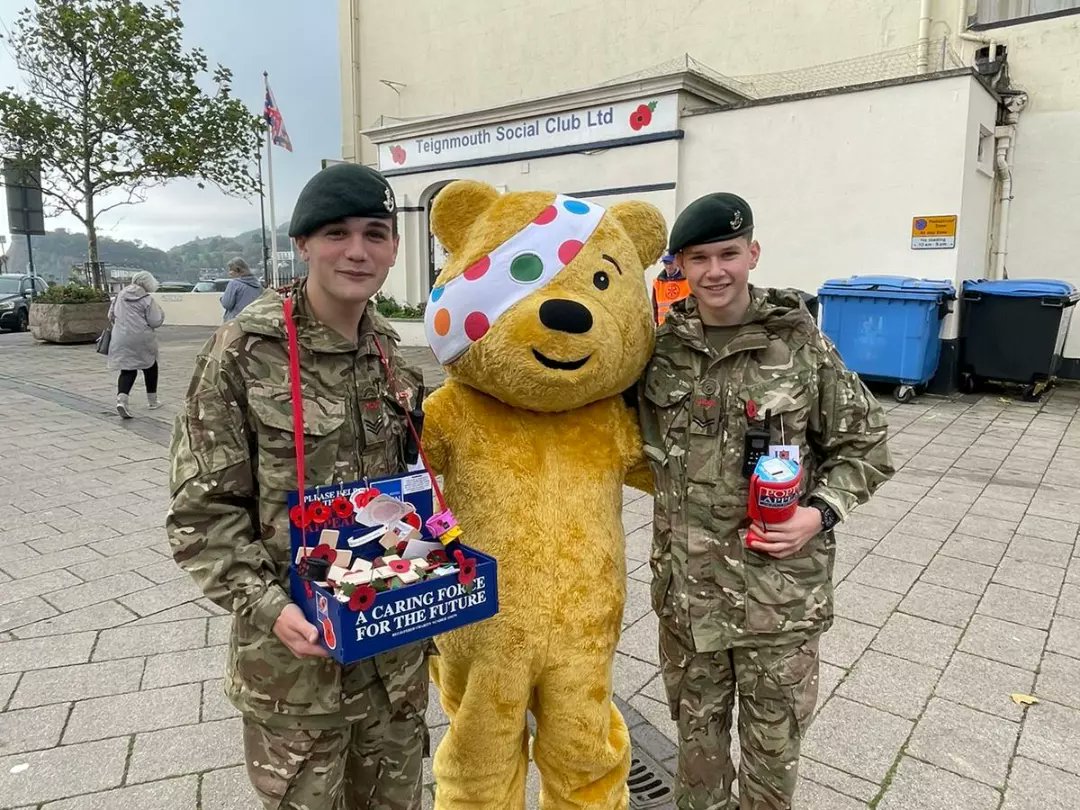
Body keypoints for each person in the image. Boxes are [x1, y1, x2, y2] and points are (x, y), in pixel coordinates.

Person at [167, 162, 429, 809]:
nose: (358, 251)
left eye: (376, 233)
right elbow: (201, 514)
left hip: (391, 661)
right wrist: (268, 606)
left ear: (395, 247)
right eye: (337, 233)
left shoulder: (390, 352)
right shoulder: (245, 350)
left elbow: (409, 492)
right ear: (303, 244)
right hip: (297, 671)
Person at [637, 192, 894, 809]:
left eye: (728, 253)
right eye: (698, 258)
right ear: (679, 268)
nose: (715, 271)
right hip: (688, 598)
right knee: (696, 754)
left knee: (771, 757)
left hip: (776, 604)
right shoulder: (661, 351)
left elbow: (867, 445)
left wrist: (819, 513)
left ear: (753, 253)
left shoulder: (802, 347)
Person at [107, 270, 165, 419]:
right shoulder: (147, 299)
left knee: (127, 369)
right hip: (142, 337)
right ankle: (153, 401)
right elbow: (155, 321)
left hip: (121, 337)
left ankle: (122, 399)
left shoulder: (119, 295)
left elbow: (110, 315)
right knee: (150, 365)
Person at [651, 252, 689, 325]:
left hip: (684, 327)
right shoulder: (657, 283)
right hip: (664, 328)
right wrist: (658, 325)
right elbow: (655, 307)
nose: (668, 266)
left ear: (677, 261)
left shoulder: (688, 280)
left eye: (670, 262)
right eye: (665, 262)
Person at [220, 256, 263, 321]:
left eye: (231, 270)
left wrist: (222, 299)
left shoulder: (234, 284)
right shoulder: (258, 284)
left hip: (237, 321)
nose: (229, 273)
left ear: (238, 270)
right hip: (254, 321)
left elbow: (227, 304)